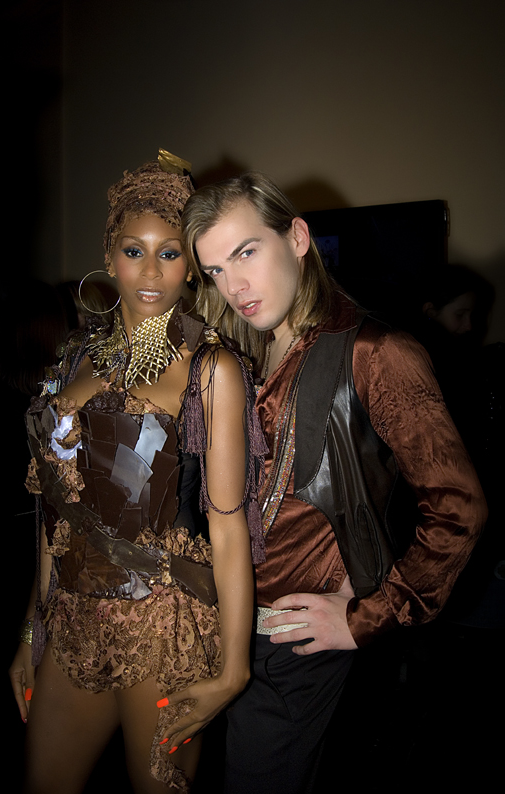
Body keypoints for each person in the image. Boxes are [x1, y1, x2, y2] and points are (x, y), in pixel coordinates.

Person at [181, 172, 488, 794]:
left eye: (246, 252)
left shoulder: (378, 353)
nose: (234, 286)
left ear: (297, 238)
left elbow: (458, 509)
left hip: (294, 643)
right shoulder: (243, 353)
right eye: (214, 270)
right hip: (225, 624)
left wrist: (367, 616)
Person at [9, 152, 266, 794]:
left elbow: (228, 529)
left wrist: (234, 669)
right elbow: (55, 519)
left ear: (191, 265)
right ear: (109, 254)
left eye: (169, 253)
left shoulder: (211, 370)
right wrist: (31, 630)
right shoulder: (78, 357)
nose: (150, 272)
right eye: (133, 251)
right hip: (71, 620)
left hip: (164, 627)